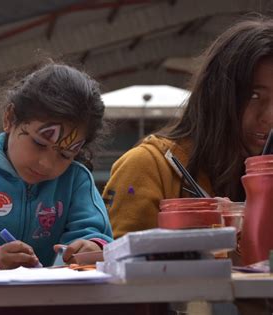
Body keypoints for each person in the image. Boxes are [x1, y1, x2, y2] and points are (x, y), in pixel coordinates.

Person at [0, 63, 113, 272]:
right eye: (39, 143)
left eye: (65, 154)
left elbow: (97, 235)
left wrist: (91, 247)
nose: (47, 163)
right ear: (10, 118)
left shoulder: (76, 180)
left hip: (43, 296)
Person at [102, 15, 273, 239]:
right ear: (217, 94)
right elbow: (124, 266)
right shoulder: (148, 168)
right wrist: (219, 237)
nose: (269, 117)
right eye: (253, 95)